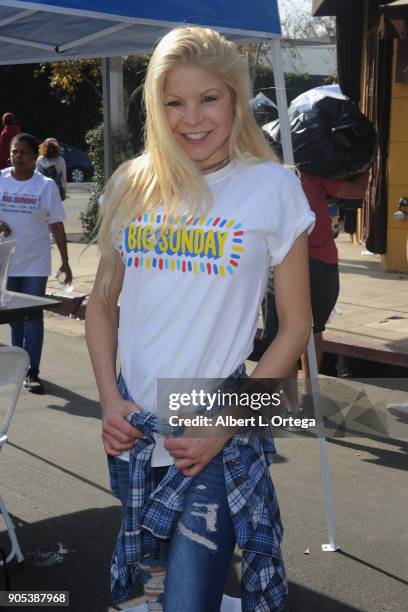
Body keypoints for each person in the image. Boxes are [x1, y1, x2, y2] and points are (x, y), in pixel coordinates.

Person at [85, 27, 315, 612]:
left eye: (208, 98)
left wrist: (225, 424)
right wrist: (111, 401)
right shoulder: (132, 183)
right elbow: (100, 304)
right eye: (173, 102)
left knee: (189, 601)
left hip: (211, 421)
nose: (191, 118)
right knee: (154, 592)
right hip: (134, 427)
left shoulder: (273, 188)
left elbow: (294, 327)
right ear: (156, 108)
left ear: (235, 100)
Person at [262, 171, 369, 415]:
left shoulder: (303, 176)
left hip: (302, 264)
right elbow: (355, 191)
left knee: (295, 332)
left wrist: (368, 168)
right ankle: (300, 401)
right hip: (303, 263)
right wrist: (367, 169)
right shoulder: (300, 176)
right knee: (306, 332)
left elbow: (354, 191)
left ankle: (298, 403)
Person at [0, 133, 72, 393]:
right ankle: (17, 366)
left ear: (34, 157)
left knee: (32, 316)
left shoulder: (45, 186)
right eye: (13, 152)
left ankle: (32, 371)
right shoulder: (1, 180)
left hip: (35, 263)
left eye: (22, 152)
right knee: (13, 319)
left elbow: (56, 224)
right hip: (6, 263)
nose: (16, 156)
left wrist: (65, 261)